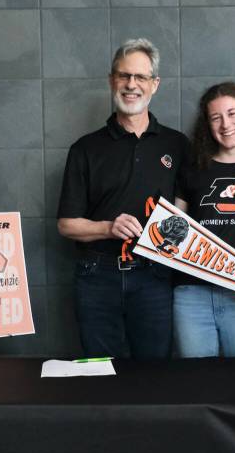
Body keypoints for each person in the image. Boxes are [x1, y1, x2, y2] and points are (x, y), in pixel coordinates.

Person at [56, 39, 190, 359]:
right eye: (124, 76)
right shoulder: (85, 149)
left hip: (154, 276)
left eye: (141, 77)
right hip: (96, 277)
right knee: (101, 374)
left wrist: (171, 227)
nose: (132, 85)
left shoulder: (177, 144)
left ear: (154, 84)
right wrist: (107, 228)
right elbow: (66, 225)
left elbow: (184, 208)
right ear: (111, 80)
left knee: (155, 374)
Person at [172, 82, 235, 357]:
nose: (225, 124)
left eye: (232, 113)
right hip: (191, 294)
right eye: (216, 117)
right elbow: (175, 227)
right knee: (195, 383)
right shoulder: (193, 168)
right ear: (207, 124)